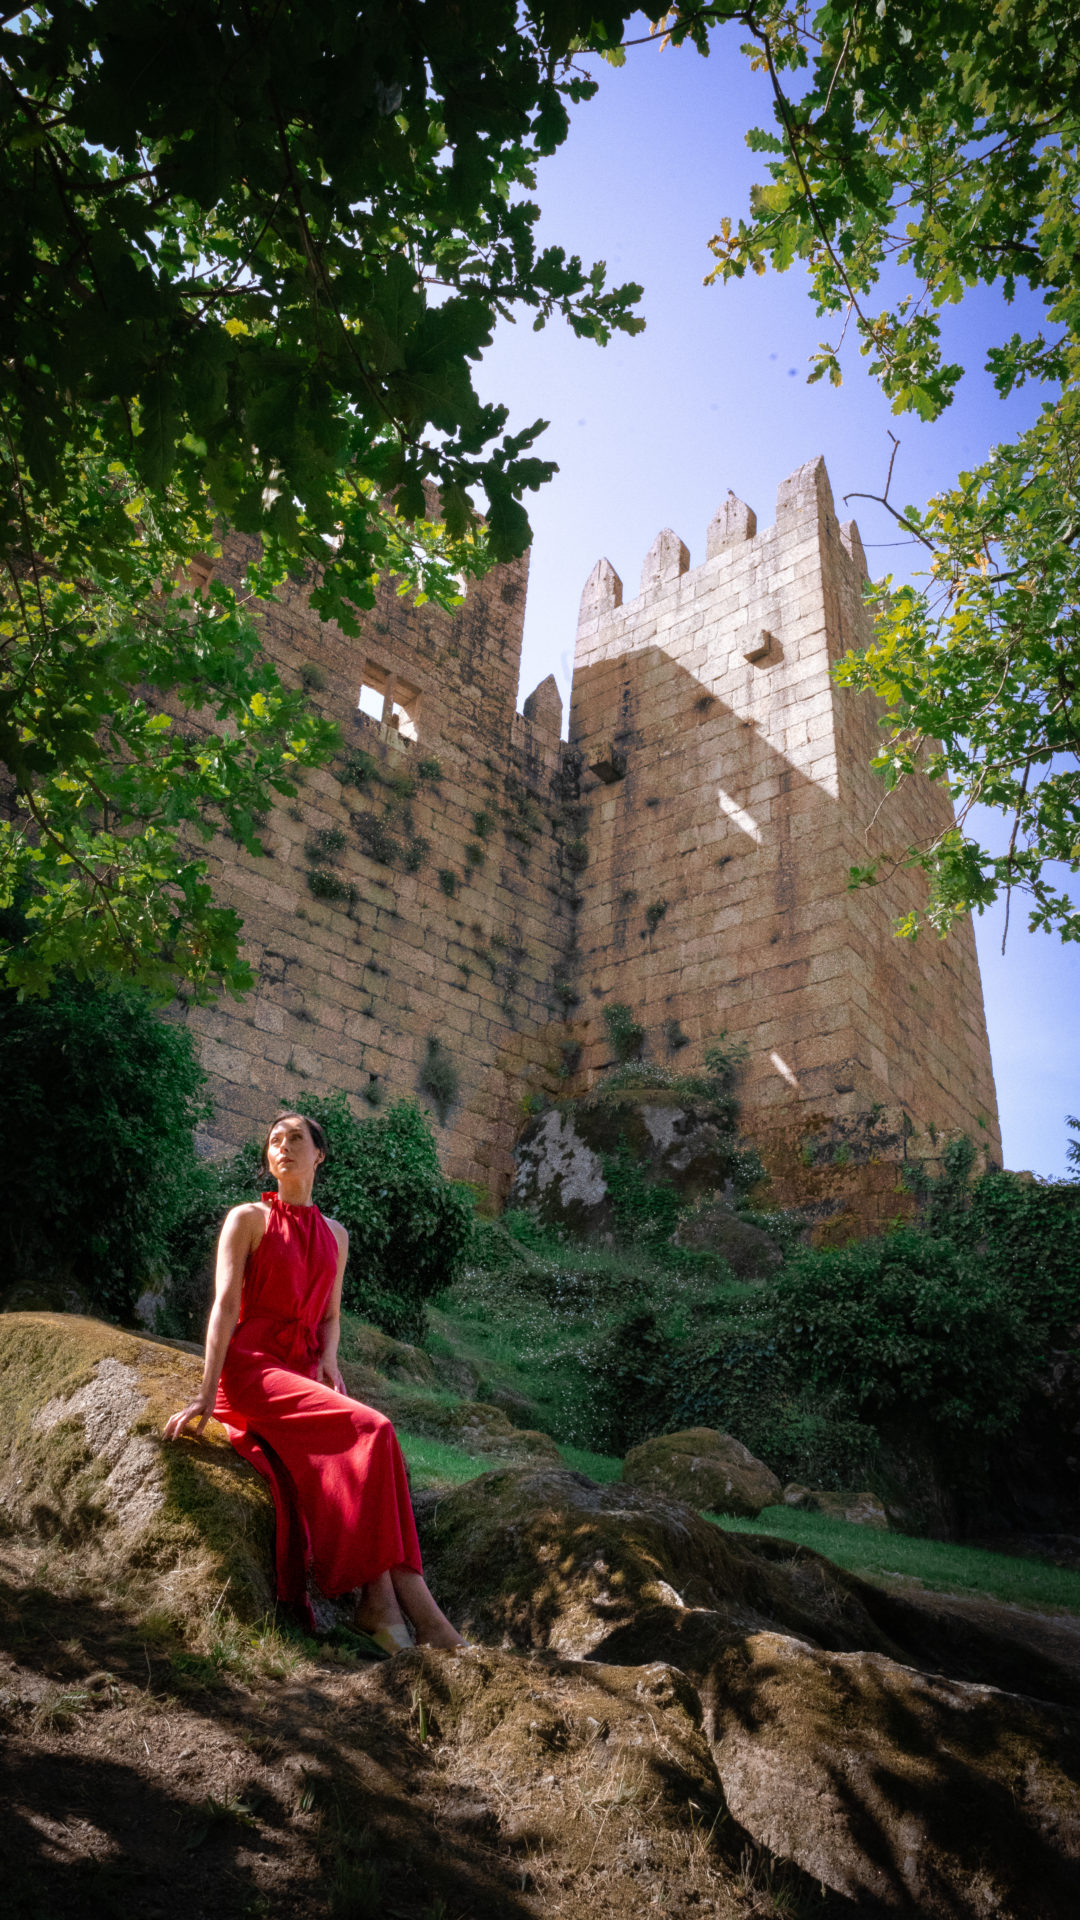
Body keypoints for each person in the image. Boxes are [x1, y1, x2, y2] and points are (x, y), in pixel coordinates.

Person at [164, 1110, 463, 1653]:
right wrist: (207, 1394)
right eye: (273, 1141)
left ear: (319, 1154)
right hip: (254, 1369)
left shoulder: (336, 1235)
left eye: (295, 1138)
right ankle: (430, 1622)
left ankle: (381, 1606)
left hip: (303, 1368)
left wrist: (328, 1359)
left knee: (377, 1449)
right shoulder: (247, 1219)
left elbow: (330, 1316)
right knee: (374, 1429)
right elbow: (225, 1307)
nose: (282, 1147)